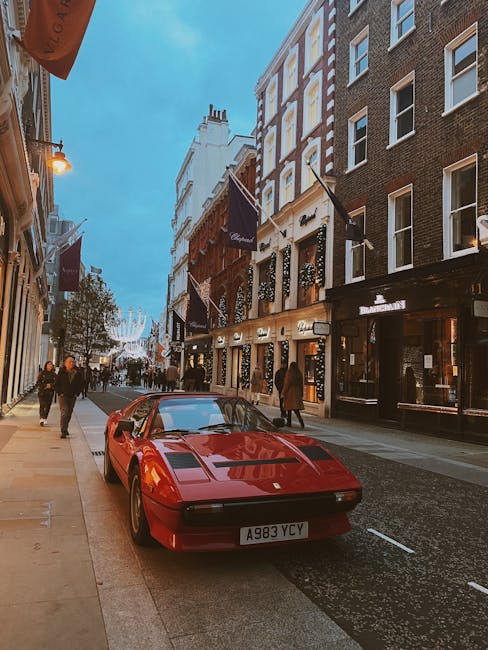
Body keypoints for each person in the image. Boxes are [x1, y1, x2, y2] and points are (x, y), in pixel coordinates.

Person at [54, 355, 84, 439]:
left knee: (69, 413)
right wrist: (60, 392)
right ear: (65, 363)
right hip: (63, 396)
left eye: (73, 362)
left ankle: (65, 427)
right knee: (65, 412)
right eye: (70, 362)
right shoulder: (61, 372)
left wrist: (77, 393)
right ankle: (63, 431)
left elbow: (81, 384)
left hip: (72, 396)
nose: (72, 363)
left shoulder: (77, 373)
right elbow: (56, 384)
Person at [282, 361, 305, 428]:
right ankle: (300, 421)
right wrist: (301, 392)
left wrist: (283, 392)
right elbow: (301, 384)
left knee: (289, 408)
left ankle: (289, 422)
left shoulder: (290, 373)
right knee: (295, 408)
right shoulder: (299, 373)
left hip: (290, 392)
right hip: (297, 391)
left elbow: (287, 383)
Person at [37, 360, 57, 426]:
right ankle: (41, 418)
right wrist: (45, 385)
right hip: (42, 392)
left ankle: (45, 417)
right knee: (42, 405)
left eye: (51, 365)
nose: (50, 366)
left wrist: (51, 385)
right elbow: (38, 382)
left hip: (50, 392)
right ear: (46, 366)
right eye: (48, 364)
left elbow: (57, 383)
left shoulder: (54, 375)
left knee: (48, 405)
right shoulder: (42, 373)